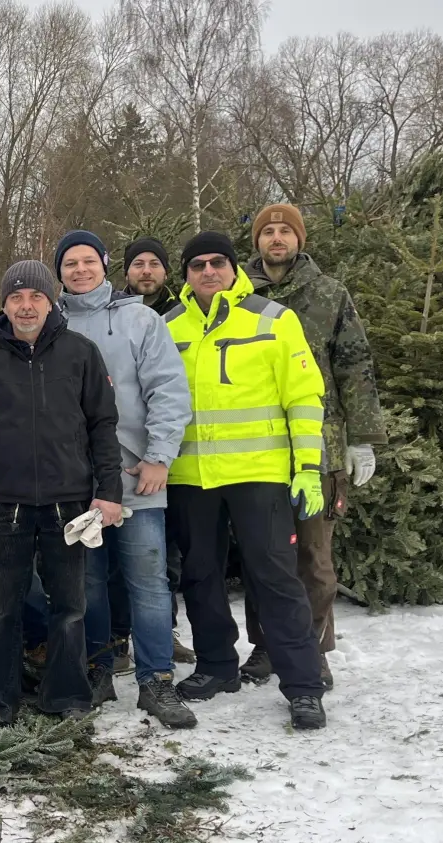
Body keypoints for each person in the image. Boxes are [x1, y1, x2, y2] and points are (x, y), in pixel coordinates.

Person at [164, 231, 328, 730]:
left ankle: (303, 686)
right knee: (200, 576)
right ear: (186, 274)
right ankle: (217, 666)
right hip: (191, 477)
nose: (208, 271)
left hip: (260, 475)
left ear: (234, 268)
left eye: (218, 262)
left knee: (275, 577)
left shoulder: (273, 320)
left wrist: (309, 468)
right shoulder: (167, 326)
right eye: (197, 265)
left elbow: (304, 397)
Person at [0, 260, 122, 725]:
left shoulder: (80, 352)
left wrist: (109, 490)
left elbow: (102, 425)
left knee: (70, 607)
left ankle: (67, 696)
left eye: (35, 297)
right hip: (4, 503)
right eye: (16, 297)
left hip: (67, 502)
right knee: (2, 609)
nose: (26, 306)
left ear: (51, 302)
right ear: (4, 304)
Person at [56, 231, 197, 729]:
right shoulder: (51, 321)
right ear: (59, 271)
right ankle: (98, 670)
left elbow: (168, 390)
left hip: (138, 476)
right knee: (88, 582)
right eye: (69, 263)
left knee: (149, 581)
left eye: (88, 261)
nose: (79, 270)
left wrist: (159, 456)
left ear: (104, 265)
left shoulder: (140, 319)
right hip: (76, 482)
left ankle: (156, 680)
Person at [243, 204, 386, 690]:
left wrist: (363, 439)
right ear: (257, 241)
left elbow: (355, 365)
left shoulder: (329, 294)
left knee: (313, 557)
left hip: (320, 446)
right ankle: (267, 645)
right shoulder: (239, 296)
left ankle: (312, 649)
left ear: (299, 239)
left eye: (285, 231)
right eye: (268, 231)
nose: (276, 238)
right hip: (258, 445)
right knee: (264, 555)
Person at [121, 237, 197, 667]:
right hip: (124, 463)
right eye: (138, 264)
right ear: (126, 271)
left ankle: (164, 634)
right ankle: (117, 640)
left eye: (154, 263)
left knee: (163, 557)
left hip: (169, 458)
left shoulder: (181, 314)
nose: (146, 271)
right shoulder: (114, 313)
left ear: (167, 271)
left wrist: (161, 452)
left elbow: (169, 389)